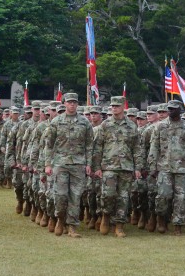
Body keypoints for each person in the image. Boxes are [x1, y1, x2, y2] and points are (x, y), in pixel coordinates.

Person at [92, 96, 143, 237]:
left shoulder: (132, 126)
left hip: (126, 167)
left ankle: (119, 225)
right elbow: (98, 147)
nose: (114, 108)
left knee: (123, 197)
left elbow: (137, 148)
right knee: (108, 195)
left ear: (123, 107)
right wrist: (97, 166)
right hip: (108, 166)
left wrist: (138, 167)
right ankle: (106, 217)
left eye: (116, 106)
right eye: (112, 106)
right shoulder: (105, 125)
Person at [44, 93, 93, 238]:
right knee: (60, 196)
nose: (72, 105)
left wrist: (89, 163)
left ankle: (72, 226)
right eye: (69, 102)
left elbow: (90, 145)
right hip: (60, 163)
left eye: (74, 102)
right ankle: (60, 219)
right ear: (64, 104)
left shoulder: (85, 122)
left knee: (76, 197)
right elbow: (49, 144)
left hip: (78, 164)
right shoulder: (56, 121)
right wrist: (48, 164)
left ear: (77, 104)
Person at [148, 100, 185, 235]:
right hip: (164, 167)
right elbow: (154, 147)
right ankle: (161, 219)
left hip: (183, 169)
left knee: (181, 198)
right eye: (169, 109)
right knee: (163, 195)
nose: (170, 111)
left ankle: (178, 225)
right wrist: (152, 166)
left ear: (179, 110)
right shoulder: (160, 126)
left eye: (173, 109)